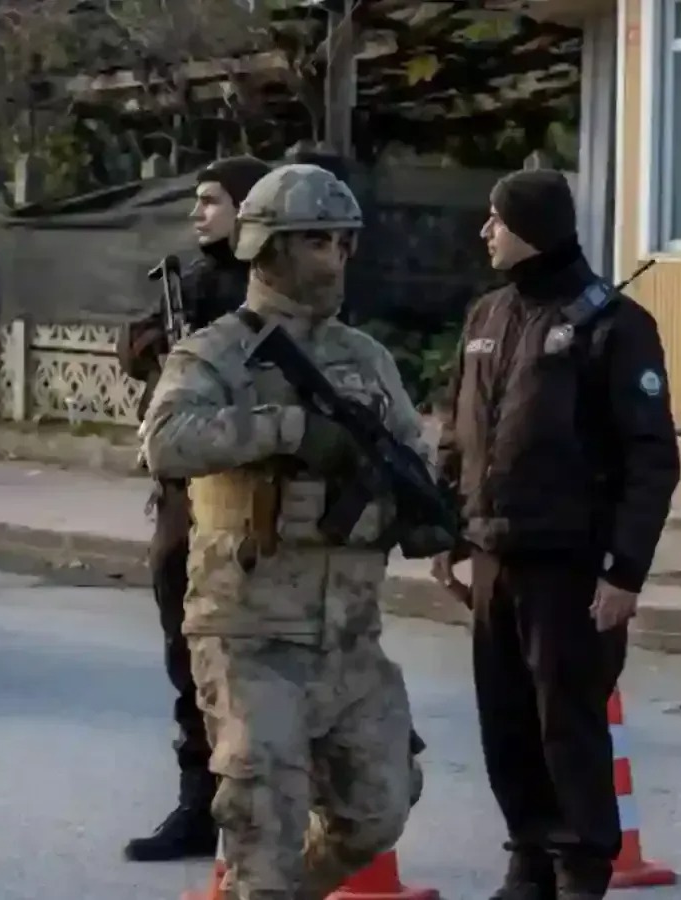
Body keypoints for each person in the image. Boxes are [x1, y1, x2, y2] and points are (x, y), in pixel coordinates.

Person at [141, 163, 425, 898]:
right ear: (266, 249)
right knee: (262, 829)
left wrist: (413, 498)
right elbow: (165, 442)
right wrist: (288, 430)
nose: (334, 259)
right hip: (251, 632)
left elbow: (412, 451)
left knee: (379, 810)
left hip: (349, 637)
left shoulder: (365, 358)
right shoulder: (216, 353)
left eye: (343, 242)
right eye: (315, 242)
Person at [431, 168, 680, 900]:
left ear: (533, 228)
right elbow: (457, 433)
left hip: (569, 564)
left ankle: (579, 868)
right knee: (505, 722)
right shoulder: (486, 316)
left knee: (565, 724)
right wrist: (447, 531)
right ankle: (529, 857)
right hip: (493, 555)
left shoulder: (614, 325)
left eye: (497, 219)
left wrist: (625, 571)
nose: (485, 232)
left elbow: (650, 459)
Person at [114, 154, 271, 862]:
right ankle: (198, 803)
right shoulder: (192, 279)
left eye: (212, 201)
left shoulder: (272, 286)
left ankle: (271, 805)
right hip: (184, 497)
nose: (198, 213)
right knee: (188, 653)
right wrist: (152, 346)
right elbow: (135, 349)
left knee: (258, 658)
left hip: (249, 497)